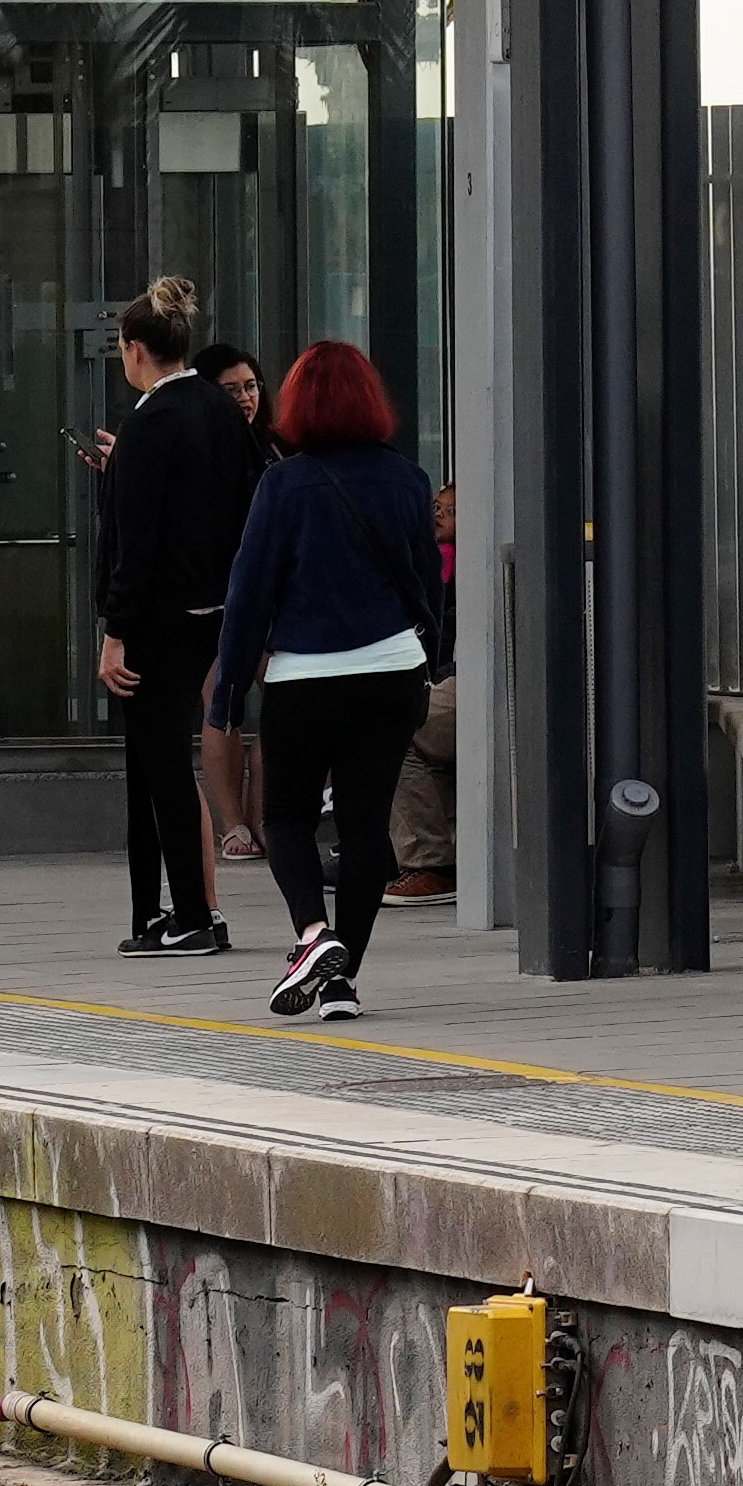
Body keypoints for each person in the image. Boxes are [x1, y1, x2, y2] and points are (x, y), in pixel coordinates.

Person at [207, 338, 452, 1022]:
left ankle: (315, 935)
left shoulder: (283, 485)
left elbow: (249, 593)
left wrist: (227, 695)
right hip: (392, 671)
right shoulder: (408, 478)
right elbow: (426, 582)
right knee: (367, 824)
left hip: (306, 673)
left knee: (286, 816)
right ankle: (342, 983)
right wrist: (429, 655)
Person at [86, 278, 253, 959]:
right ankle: (171, 910)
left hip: (160, 615)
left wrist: (114, 629)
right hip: (215, 607)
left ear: (136, 350)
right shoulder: (218, 408)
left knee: (157, 764)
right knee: (160, 760)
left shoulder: (149, 424)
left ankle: (188, 911)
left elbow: (138, 541)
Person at [192, 342, 273, 870]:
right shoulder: (197, 450)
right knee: (222, 705)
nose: (245, 398)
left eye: (250, 386)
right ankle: (232, 822)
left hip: (272, 594)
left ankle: (265, 817)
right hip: (215, 595)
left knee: (280, 703)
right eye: (231, 389)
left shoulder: (276, 449)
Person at [388, 476, 463, 902]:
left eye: (450, 512)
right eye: (436, 507)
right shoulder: (430, 558)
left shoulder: (455, 565)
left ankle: (427, 862)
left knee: (399, 726)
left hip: (470, 675)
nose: (437, 515)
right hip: (452, 672)